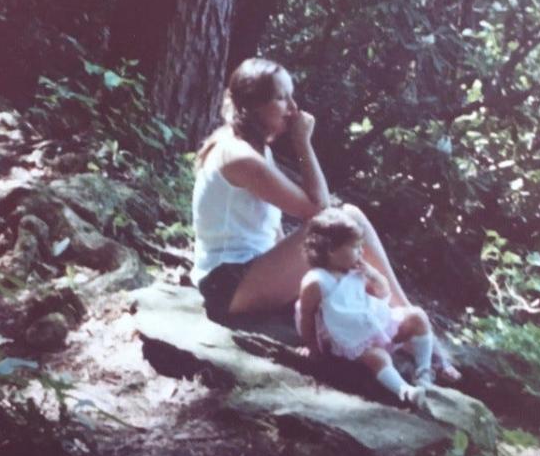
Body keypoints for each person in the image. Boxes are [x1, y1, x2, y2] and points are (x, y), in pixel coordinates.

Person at [190, 57, 460, 382]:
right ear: (253, 106)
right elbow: (319, 210)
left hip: (252, 272)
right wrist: (303, 143)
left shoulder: (254, 147)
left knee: (350, 220)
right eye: (281, 98)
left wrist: (299, 271)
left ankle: (404, 320)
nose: (292, 107)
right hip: (227, 285)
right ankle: (410, 331)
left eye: (291, 96)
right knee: (341, 222)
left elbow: (270, 228)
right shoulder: (239, 155)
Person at [295, 208, 435, 406]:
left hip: (375, 325)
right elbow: (307, 316)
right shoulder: (317, 281)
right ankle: (405, 391)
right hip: (348, 341)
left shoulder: (355, 270)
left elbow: (382, 293)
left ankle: (424, 372)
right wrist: (313, 348)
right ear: (331, 250)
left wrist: (373, 275)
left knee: (418, 316)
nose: (361, 252)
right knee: (379, 357)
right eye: (354, 247)